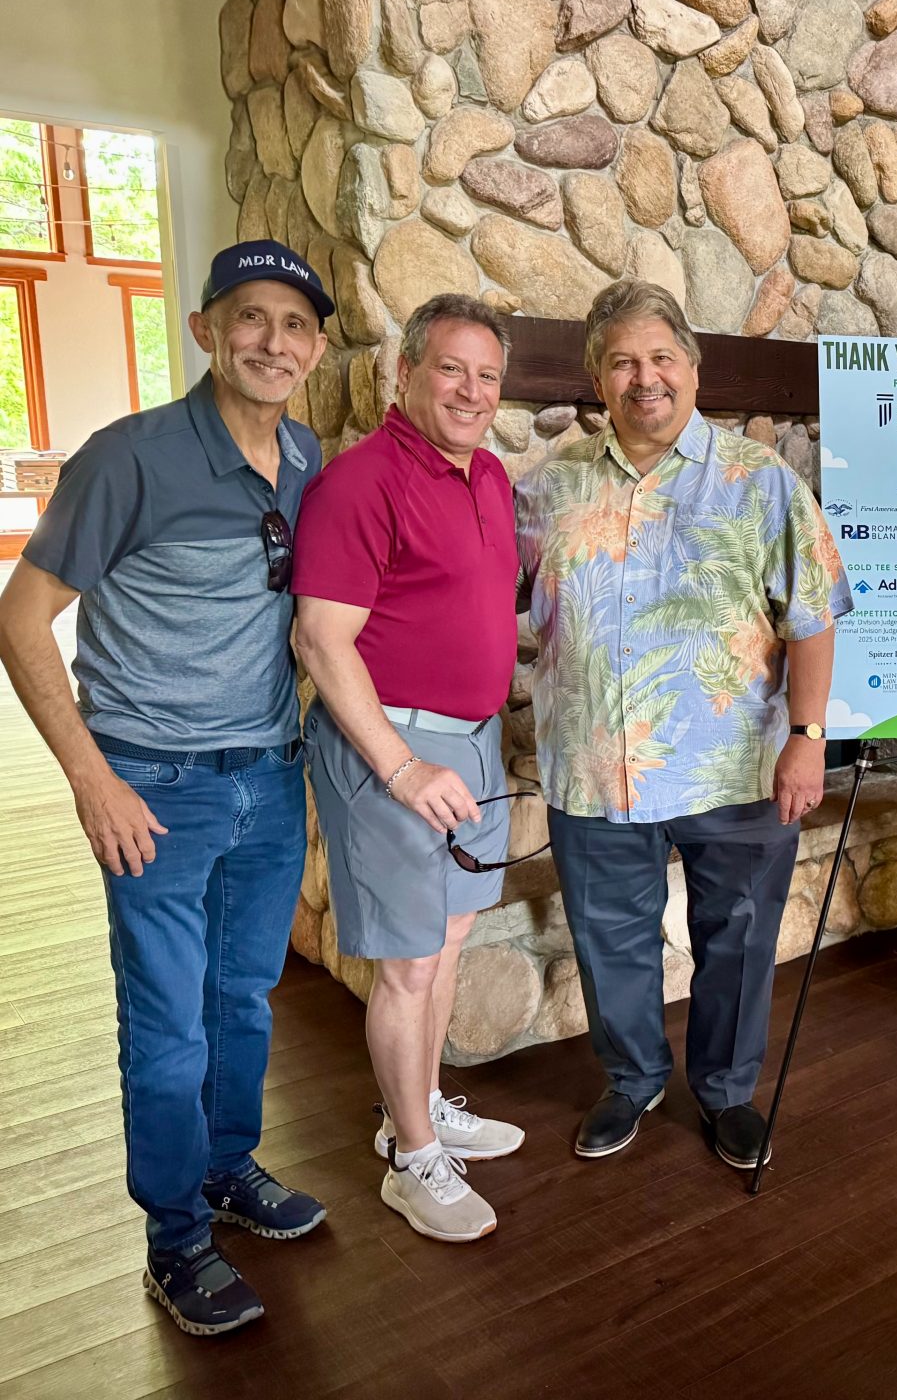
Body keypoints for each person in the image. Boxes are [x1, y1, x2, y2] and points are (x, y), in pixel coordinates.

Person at [0, 241, 332, 1335]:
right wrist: (90, 778)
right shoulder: (127, 458)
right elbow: (19, 620)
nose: (272, 341)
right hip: (153, 787)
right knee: (167, 1027)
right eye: (250, 317)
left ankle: (228, 1171)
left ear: (315, 349)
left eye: (295, 323)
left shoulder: (303, 456)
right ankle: (175, 1236)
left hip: (268, 777)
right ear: (205, 330)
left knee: (239, 1001)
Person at [515, 279, 851, 1171]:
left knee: (736, 939)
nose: (645, 378)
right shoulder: (547, 489)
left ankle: (727, 1092)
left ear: (693, 370)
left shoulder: (760, 480)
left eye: (662, 357)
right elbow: (484, 600)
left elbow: (813, 616)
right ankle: (632, 1080)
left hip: (733, 769)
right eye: (623, 361)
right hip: (593, 767)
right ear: (597, 379)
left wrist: (807, 739)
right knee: (608, 941)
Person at [292, 293, 525, 1244]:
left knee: (452, 937)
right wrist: (400, 769)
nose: (471, 392)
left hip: (474, 741)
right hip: (390, 748)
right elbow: (320, 639)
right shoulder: (360, 483)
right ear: (407, 372)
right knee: (410, 963)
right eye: (450, 370)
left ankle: (415, 1108)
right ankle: (411, 1161)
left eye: (487, 376)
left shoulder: (491, 475)